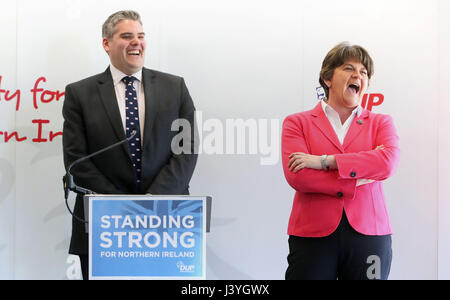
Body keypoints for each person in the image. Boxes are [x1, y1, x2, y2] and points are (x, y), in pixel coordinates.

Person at [62, 10, 198, 280]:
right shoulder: (79, 93)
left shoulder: (175, 87)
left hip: (165, 221)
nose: (137, 42)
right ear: (106, 43)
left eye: (141, 36)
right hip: (104, 224)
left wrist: (149, 202)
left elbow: (186, 149)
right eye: (126, 36)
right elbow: (76, 160)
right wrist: (121, 205)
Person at [281, 42, 400, 280]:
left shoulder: (381, 123)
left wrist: (324, 161)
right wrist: (357, 178)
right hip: (313, 235)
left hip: (370, 235)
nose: (358, 75)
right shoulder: (297, 122)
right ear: (327, 78)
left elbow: (386, 163)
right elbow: (299, 176)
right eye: (349, 68)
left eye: (364, 72)